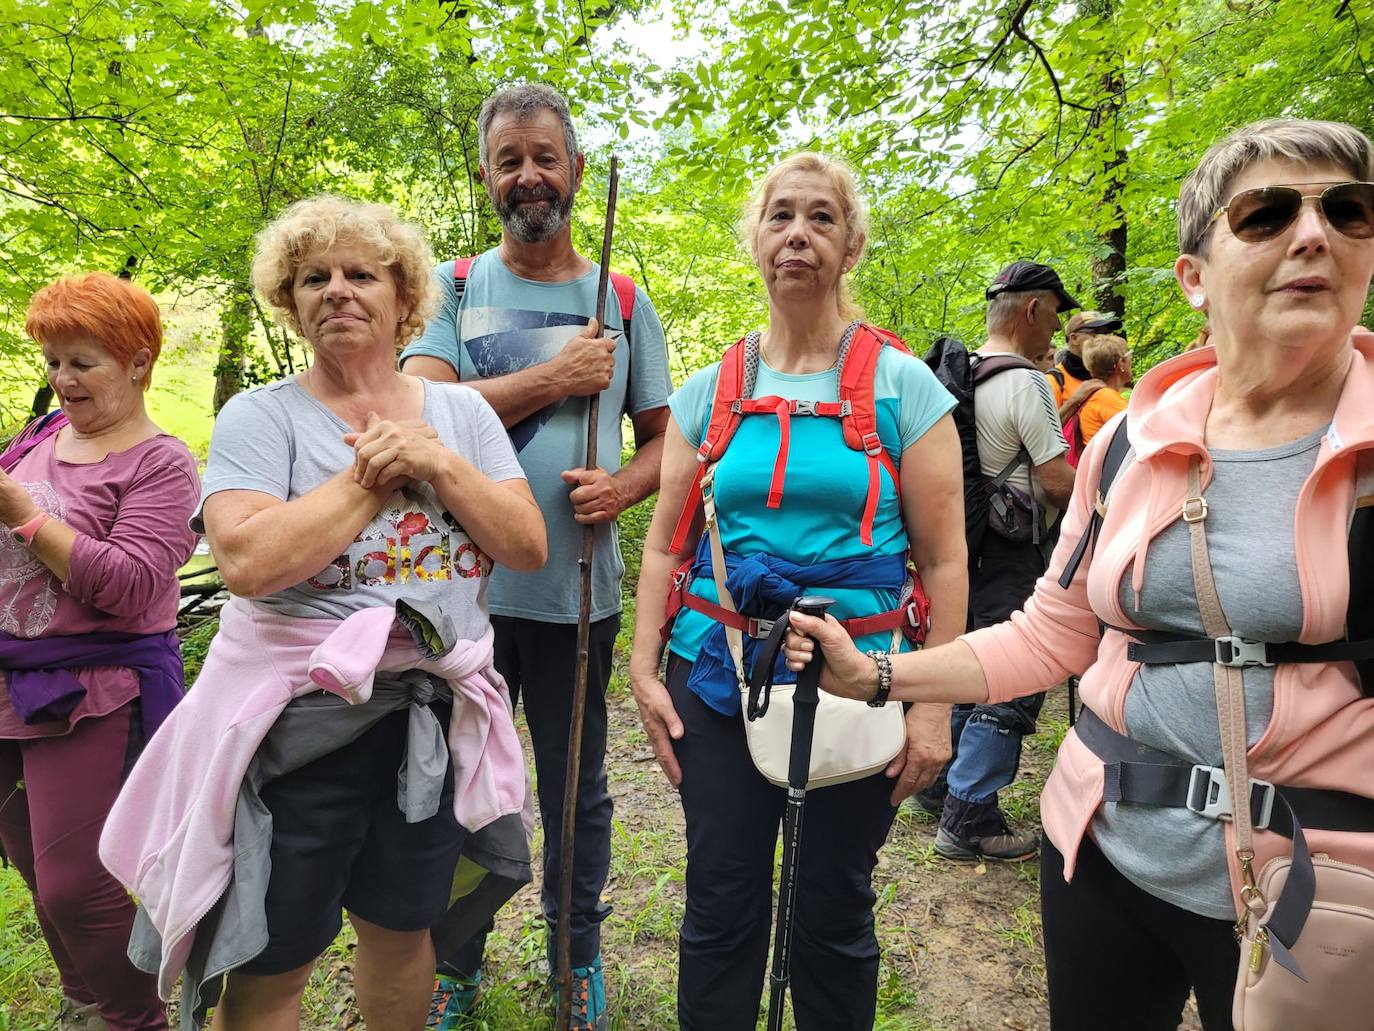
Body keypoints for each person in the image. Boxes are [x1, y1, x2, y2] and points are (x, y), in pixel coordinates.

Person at [784, 118, 1374, 1030]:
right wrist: (882, 676)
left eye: (1349, 211)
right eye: (1264, 215)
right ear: (1194, 275)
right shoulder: (1132, 439)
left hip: (1312, 887)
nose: (1314, 234)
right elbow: (1055, 630)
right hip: (1101, 849)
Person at [100, 197, 546, 1031]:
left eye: (360, 274)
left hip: (428, 720)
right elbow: (247, 564)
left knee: (403, 926)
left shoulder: (463, 416)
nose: (337, 291)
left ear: (403, 297)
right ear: (290, 300)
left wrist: (438, 464)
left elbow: (525, 544)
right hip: (298, 730)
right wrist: (367, 477)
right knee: (271, 952)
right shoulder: (262, 417)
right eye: (314, 278)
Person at [628, 152, 966, 1031]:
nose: (798, 236)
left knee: (832, 904)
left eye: (821, 219)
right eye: (780, 216)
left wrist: (933, 705)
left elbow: (946, 560)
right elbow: (667, 543)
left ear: (851, 244)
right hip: (719, 673)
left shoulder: (905, 386)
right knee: (720, 897)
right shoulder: (710, 390)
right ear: (755, 239)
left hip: (861, 674)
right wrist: (641, 667)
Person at [399, 83, 671, 1029]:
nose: (528, 176)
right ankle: (457, 962)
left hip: (574, 597)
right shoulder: (451, 288)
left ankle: (575, 955)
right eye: (509, 160)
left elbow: (666, 443)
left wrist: (628, 487)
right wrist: (556, 376)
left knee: (574, 793)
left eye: (544, 157)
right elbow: (423, 417)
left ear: (576, 170)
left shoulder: (624, 301)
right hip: (456, 600)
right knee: (453, 788)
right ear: (486, 175)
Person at [0, 272, 200, 1031]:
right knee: (30, 863)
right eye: (52, 361)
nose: (61, 379)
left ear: (139, 362)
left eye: (81, 361)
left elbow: (132, 582)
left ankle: (139, 1017)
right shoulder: (45, 433)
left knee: (77, 884)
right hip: (9, 680)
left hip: (93, 690)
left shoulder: (162, 461)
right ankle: (84, 1003)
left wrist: (20, 512)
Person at [914, 260, 1076, 862]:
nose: (1056, 331)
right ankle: (970, 817)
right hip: (1013, 551)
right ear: (1032, 310)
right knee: (1013, 678)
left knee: (969, 661)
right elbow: (1058, 482)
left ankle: (936, 785)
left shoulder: (960, 377)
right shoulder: (1028, 381)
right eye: (1055, 314)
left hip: (962, 547)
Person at [1048, 309, 1124, 425]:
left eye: (1106, 333)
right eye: (1096, 333)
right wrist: (1074, 401)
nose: (1103, 338)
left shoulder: (1114, 372)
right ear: (1074, 339)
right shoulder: (1054, 380)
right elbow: (1044, 431)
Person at [1075, 334, 1132, 446]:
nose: (1131, 361)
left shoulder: (1098, 395)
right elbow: (1139, 431)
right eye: (1130, 356)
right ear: (1121, 364)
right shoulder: (1106, 397)